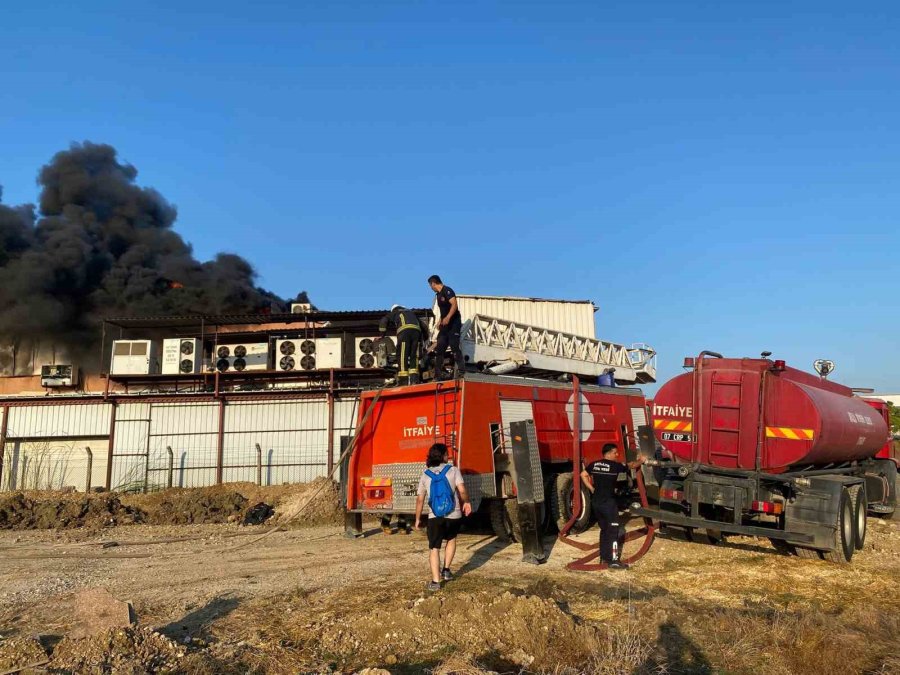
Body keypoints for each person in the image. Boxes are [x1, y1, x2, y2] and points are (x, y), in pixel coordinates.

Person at [414, 442, 472, 591]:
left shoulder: (425, 474)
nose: (448, 456)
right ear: (443, 456)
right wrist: (466, 502)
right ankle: (446, 570)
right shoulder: (453, 470)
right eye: (446, 453)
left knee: (434, 548)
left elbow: (420, 499)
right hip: (454, 514)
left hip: (435, 516)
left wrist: (418, 518)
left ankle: (435, 581)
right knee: (451, 540)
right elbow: (462, 489)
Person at [581, 443, 646, 570]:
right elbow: (632, 466)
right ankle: (614, 560)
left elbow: (583, 474)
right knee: (613, 531)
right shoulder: (615, 466)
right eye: (615, 453)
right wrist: (641, 460)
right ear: (609, 453)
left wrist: (592, 489)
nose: (617, 455)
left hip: (596, 502)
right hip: (608, 503)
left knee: (604, 530)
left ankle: (604, 558)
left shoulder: (594, 464)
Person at [427, 275, 465, 380]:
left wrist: (448, 317)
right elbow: (443, 312)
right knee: (440, 348)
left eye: (430, 285)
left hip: (454, 323)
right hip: (445, 325)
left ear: (433, 284)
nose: (430, 288)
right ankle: (438, 375)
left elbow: (454, 305)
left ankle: (462, 371)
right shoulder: (438, 295)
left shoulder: (447, 290)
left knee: (454, 346)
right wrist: (440, 321)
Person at [379, 304, 423, 385]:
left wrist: (382, 335)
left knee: (402, 356)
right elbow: (423, 326)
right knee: (414, 355)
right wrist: (425, 338)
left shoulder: (395, 312)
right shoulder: (411, 312)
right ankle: (414, 380)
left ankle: (404, 381)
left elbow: (384, 320)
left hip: (404, 332)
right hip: (417, 332)